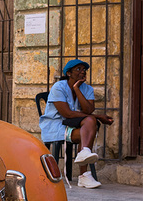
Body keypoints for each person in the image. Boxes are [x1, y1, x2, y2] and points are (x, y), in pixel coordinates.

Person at [39, 59, 114, 188]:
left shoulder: (87, 89)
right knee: (91, 123)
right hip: (56, 125)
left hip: (74, 125)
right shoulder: (59, 87)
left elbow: (89, 110)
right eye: (78, 69)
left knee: (90, 121)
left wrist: (77, 89)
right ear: (69, 73)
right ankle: (84, 175)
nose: (82, 72)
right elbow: (67, 113)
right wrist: (98, 117)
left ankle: (84, 152)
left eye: (84, 69)